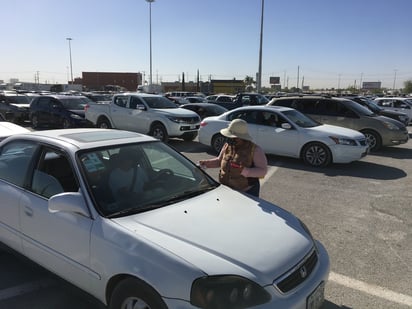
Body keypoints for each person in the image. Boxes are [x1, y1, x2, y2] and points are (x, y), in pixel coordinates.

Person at [199, 119, 267, 197]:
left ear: (242, 137)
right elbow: (219, 161)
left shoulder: (255, 150)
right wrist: (206, 163)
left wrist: (244, 171)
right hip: (226, 188)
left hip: (247, 191)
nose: (231, 139)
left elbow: (263, 171)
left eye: (234, 138)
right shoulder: (227, 145)